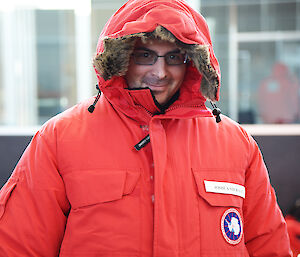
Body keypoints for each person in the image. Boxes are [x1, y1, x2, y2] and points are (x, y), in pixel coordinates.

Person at [0, 0, 292, 256]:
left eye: (174, 57)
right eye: (145, 55)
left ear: (191, 63)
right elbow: (18, 247)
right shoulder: (60, 138)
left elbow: (269, 246)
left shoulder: (235, 143)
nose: (160, 72)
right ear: (122, 59)